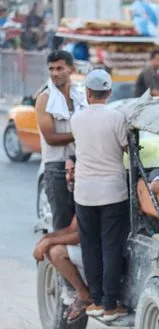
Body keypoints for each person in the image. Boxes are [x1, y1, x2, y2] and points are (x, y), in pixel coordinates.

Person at [70, 69, 130, 321]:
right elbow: (126, 147)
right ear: (109, 92)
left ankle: (94, 300)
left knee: (90, 247)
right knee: (111, 247)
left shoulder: (76, 118)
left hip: (84, 192)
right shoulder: (116, 117)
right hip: (112, 192)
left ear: (87, 93)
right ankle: (110, 304)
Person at [35, 50, 86, 231]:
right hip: (56, 167)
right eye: (51, 69)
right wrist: (83, 133)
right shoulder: (44, 99)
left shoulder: (80, 95)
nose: (55, 73)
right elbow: (50, 138)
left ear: (71, 69)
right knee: (63, 224)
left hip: (82, 165)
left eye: (59, 68)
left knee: (82, 225)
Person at [32, 213, 91, 323]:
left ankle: (84, 295)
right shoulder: (82, 197)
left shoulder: (92, 197)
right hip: (93, 250)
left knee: (56, 252)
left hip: (103, 255)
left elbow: (83, 235)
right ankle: (82, 293)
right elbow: (72, 229)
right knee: (50, 249)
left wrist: (49, 241)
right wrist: (46, 239)